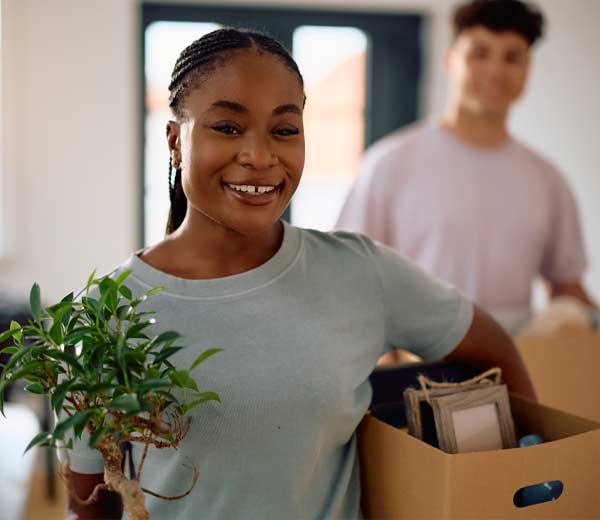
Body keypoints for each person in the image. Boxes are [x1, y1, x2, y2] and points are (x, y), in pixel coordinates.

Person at [65, 28, 535, 519]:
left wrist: (519, 485)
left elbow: (494, 348)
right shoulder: (105, 313)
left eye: (284, 130)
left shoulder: (360, 273)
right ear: (174, 140)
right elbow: (88, 506)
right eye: (227, 127)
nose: (260, 156)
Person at [336, 0, 595, 335]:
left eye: (512, 57)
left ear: (528, 70)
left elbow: (567, 288)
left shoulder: (547, 179)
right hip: (414, 365)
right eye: (480, 53)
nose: (495, 71)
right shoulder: (388, 164)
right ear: (449, 59)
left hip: (516, 368)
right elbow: (348, 280)